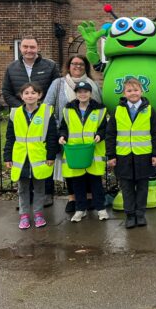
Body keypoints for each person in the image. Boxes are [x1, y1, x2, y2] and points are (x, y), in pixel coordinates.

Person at [2, 36, 59, 207]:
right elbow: (6, 91)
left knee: (43, 155)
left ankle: (46, 194)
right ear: (20, 48)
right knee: (24, 155)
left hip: (43, 115)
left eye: (32, 47)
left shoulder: (50, 65)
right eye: (25, 47)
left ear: (38, 47)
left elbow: (56, 88)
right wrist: (23, 107)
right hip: (21, 117)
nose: (29, 50)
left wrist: (39, 107)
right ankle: (25, 199)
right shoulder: (12, 67)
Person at [45, 55, 102, 213]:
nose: (77, 66)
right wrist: (58, 128)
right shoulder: (59, 83)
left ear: (86, 67)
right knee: (71, 166)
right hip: (67, 135)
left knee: (90, 164)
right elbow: (48, 106)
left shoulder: (93, 85)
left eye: (81, 64)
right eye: (74, 64)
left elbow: (100, 107)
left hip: (90, 136)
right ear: (68, 66)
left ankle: (90, 197)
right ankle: (72, 197)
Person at [106, 78, 156, 229]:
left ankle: (140, 214)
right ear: (124, 93)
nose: (133, 93)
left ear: (141, 91)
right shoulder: (118, 111)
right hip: (123, 156)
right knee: (127, 187)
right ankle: (130, 215)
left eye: (136, 90)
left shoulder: (149, 110)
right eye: (129, 90)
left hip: (143, 155)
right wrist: (111, 156)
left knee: (143, 187)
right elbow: (110, 134)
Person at [3, 83, 58, 229]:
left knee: (40, 188)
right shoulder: (15, 113)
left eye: (33, 93)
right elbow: (10, 137)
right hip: (21, 159)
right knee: (23, 189)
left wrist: (51, 155)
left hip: (39, 158)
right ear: (21, 96)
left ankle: (38, 214)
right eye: (26, 93)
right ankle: (24, 215)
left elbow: (52, 136)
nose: (30, 95)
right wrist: (7, 157)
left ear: (39, 95)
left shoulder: (46, 112)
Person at [58, 81, 109, 223]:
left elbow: (104, 128)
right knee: (78, 182)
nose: (82, 94)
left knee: (95, 182)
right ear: (76, 94)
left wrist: (100, 135)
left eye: (85, 91)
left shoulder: (99, 109)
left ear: (90, 93)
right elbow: (63, 127)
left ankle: (101, 209)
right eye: (79, 91)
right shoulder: (68, 109)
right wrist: (62, 136)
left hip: (93, 151)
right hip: (75, 152)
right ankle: (80, 209)